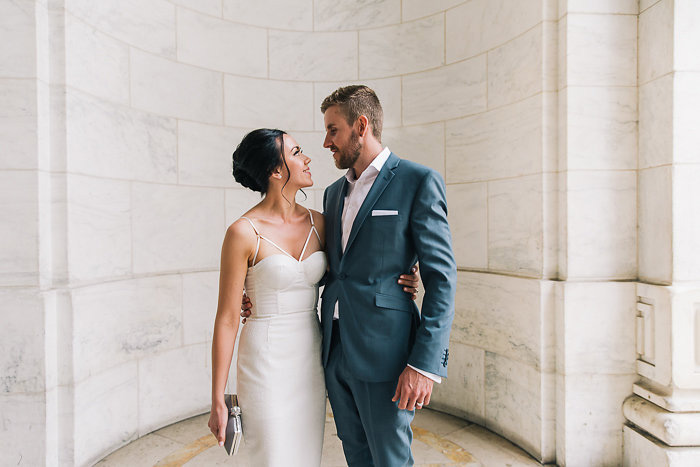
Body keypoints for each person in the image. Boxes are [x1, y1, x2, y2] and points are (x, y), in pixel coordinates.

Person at [242, 85, 457, 466]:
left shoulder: (417, 182)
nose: (325, 142)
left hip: (386, 353)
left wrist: (424, 365)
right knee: (356, 456)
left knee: (390, 458)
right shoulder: (332, 194)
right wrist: (259, 289)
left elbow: (443, 279)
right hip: (333, 350)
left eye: (333, 130)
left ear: (361, 126)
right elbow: (328, 269)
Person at [207, 128, 420, 466]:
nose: (307, 158)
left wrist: (406, 276)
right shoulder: (242, 232)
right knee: (273, 456)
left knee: (306, 457)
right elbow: (229, 317)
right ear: (277, 171)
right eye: (296, 152)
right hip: (264, 359)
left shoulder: (320, 223)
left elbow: (358, 269)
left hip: (310, 355)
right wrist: (218, 396)